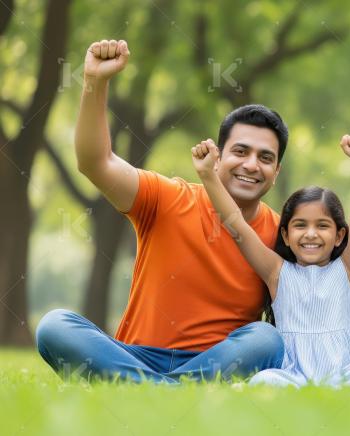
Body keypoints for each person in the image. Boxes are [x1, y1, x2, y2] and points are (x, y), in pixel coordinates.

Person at [36, 39, 286, 383]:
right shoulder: (169, 197)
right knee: (54, 326)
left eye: (265, 158)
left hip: (217, 360)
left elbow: (318, 299)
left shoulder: (282, 233)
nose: (251, 165)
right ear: (219, 155)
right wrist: (95, 82)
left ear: (277, 173)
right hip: (133, 354)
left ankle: (140, 388)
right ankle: (175, 390)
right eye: (240, 151)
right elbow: (95, 162)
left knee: (266, 339)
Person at [192, 135, 350, 388]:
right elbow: (236, 224)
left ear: (339, 236)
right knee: (263, 386)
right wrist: (208, 174)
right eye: (300, 225)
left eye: (323, 226)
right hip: (293, 376)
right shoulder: (276, 272)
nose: (311, 234)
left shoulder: (349, 269)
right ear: (285, 234)